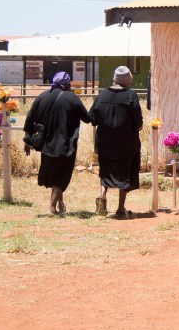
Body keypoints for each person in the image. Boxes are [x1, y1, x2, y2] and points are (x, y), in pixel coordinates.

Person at [23, 72, 92, 215]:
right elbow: (87, 118)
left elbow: (30, 118)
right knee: (61, 176)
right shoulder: (72, 98)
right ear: (67, 85)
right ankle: (52, 208)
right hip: (65, 144)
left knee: (55, 174)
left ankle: (60, 203)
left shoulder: (42, 96)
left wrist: (27, 140)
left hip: (45, 144)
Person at [89, 66, 143, 219]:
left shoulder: (102, 95)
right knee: (125, 172)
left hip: (104, 142)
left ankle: (102, 194)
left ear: (114, 78)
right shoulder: (131, 96)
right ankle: (120, 208)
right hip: (126, 143)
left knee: (105, 169)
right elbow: (138, 123)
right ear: (128, 80)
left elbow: (92, 118)